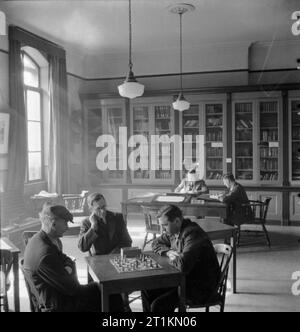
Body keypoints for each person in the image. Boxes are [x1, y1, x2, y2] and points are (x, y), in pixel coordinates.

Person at [23, 203, 124, 312]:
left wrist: (67, 268)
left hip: (56, 295)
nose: (67, 227)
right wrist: (69, 268)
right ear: (53, 223)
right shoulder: (46, 253)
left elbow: (66, 259)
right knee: (110, 294)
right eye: (65, 223)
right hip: (60, 305)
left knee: (102, 289)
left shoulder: (38, 239)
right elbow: (72, 287)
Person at [141, 205, 220, 312]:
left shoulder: (192, 233)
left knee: (158, 305)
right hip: (185, 279)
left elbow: (183, 265)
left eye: (165, 225)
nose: (163, 230)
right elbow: (155, 243)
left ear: (177, 221)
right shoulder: (173, 231)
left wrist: (174, 257)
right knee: (147, 290)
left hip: (201, 286)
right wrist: (168, 252)